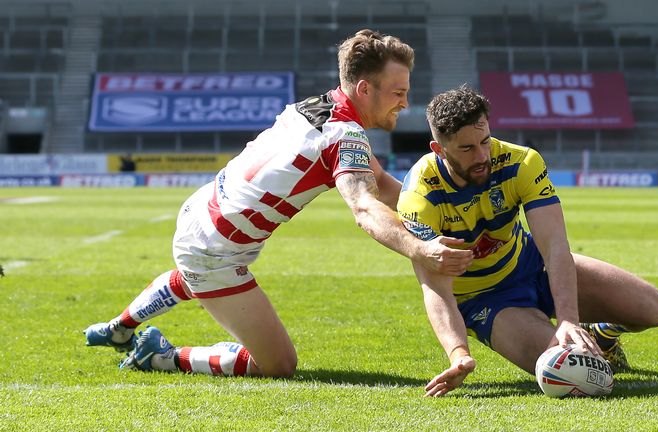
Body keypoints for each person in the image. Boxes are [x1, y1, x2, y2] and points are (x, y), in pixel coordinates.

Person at [84, 30, 473, 378]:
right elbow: (365, 207)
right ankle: (160, 356)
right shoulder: (345, 135)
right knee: (278, 364)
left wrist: (440, 204)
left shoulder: (318, 108)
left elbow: (385, 185)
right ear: (364, 89)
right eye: (398, 92)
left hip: (201, 210)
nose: (405, 103)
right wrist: (422, 249)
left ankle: (120, 327)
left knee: (193, 275)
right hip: (216, 252)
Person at [396, 85, 658, 397]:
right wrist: (459, 353)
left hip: (531, 264)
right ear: (439, 149)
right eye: (467, 149)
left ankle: (603, 334)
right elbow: (436, 288)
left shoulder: (521, 162)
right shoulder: (420, 197)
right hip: (485, 300)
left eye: (485, 141)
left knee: (654, 309)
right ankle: (566, 338)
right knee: (571, 370)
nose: (482, 155)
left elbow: (555, 246)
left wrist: (569, 320)